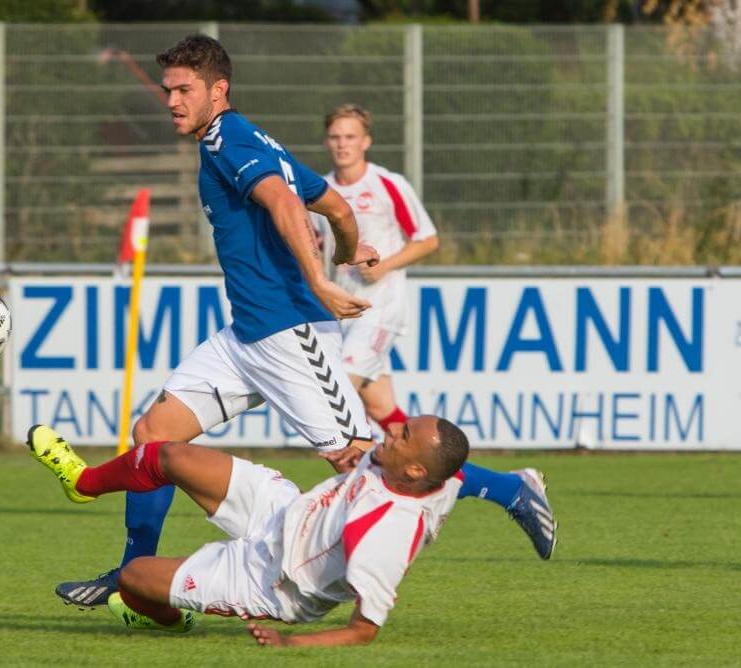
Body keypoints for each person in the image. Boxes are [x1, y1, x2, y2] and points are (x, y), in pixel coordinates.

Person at [54, 34, 383, 610]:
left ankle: (506, 489)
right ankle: (136, 581)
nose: (172, 101)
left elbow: (285, 203)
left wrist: (321, 282)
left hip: (290, 331)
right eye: (168, 91)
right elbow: (335, 207)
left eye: (184, 90)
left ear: (218, 90)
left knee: (358, 459)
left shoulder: (231, 139)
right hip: (245, 337)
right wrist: (346, 251)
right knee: (154, 435)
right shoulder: (246, 138)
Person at [313, 104, 558, 560]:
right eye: (335, 137)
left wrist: (383, 265)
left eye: (351, 136)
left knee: (336, 394)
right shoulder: (321, 191)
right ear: (327, 141)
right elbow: (319, 248)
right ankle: (509, 487)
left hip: (380, 311)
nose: (343, 144)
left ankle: (360, 501)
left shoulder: (387, 185)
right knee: (384, 414)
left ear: (366, 141)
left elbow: (428, 239)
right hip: (342, 316)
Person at [27, 415, 470, 646]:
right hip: (283, 510)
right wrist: (518, 485)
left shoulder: (385, 538)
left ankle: (166, 618)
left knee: (133, 578)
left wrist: (289, 646)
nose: (391, 429)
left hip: (273, 582)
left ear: (413, 469)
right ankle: (83, 482)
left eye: (404, 434)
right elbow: (460, 473)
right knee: (169, 455)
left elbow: (363, 630)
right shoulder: (421, 470)